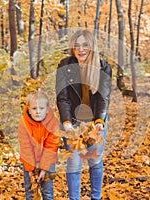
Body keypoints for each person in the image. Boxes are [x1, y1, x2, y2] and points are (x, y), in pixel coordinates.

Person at [56, 29, 112, 200]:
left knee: (94, 160)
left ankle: (96, 197)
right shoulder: (64, 65)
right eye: (77, 45)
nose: (81, 49)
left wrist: (99, 121)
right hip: (72, 120)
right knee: (74, 162)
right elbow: (62, 97)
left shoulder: (103, 67)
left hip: (95, 120)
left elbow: (104, 97)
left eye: (85, 45)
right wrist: (66, 122)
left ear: (92, 47)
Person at [18, 90, 60, 200]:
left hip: (48, 159)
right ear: (29, 109)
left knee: (47, 191)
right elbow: (25, 147)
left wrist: (44, 169)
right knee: (31, 190)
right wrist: (31, 170)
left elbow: (51, 146)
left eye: (41, 108)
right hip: (29, 159)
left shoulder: (53, 123)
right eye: (34, 108)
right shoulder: (23, 124)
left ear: (47, 110)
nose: (37, 112)